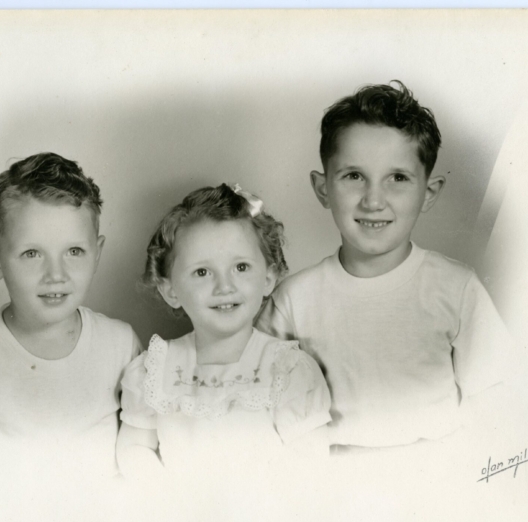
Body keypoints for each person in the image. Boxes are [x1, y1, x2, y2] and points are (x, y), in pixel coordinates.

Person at [257, 81, 518, 449]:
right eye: (354, 176)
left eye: (398, 178)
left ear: (428, 193)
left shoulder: (457, 288)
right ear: (323, 188)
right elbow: (259, 408)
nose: (373, 201)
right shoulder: (293, 300)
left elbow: (497, 404)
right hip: (329, 475)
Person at [0, 152, 141, 479]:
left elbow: (141, 450)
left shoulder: (121, 344)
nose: (56, 274)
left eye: (74, 251)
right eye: (31, 253)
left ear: (97, 253)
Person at [116, 184, 331, 476]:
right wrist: (165, 495)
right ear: (170, 290)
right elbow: (135, 449)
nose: (224, 286)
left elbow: (309, 462)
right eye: (202, 272)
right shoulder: (153, 371)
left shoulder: (287, 369)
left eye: (241, 267)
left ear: (268, 278)